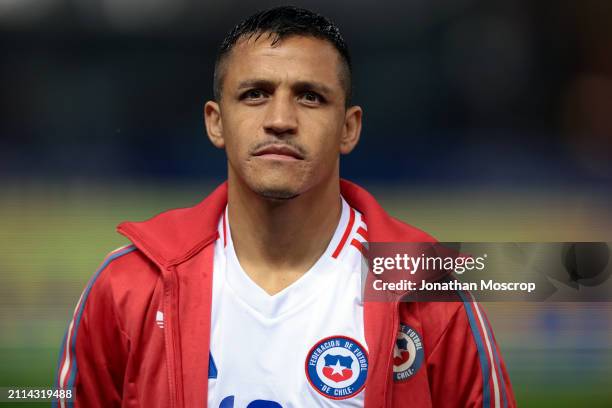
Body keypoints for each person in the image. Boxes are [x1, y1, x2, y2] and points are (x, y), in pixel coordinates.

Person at [53, 6, 515, 408]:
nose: (279, 121)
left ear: (349, 129)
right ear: (216, 122)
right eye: (255, 94)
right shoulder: (128, 287)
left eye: (310, 97)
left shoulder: (425, 287)